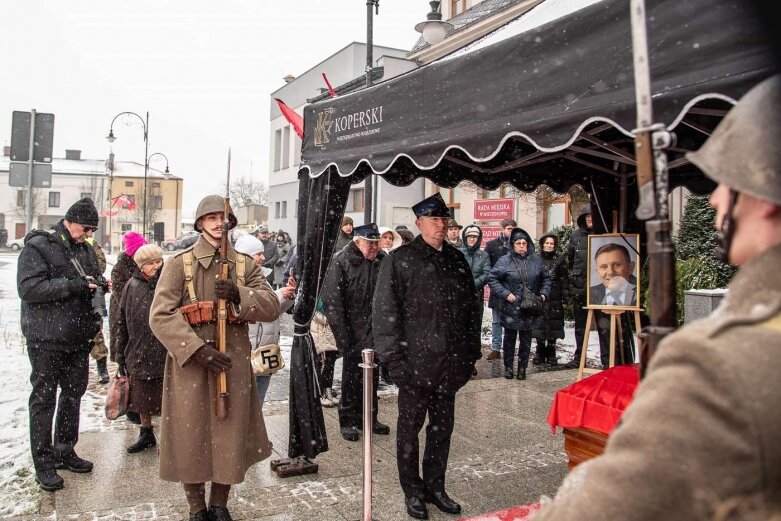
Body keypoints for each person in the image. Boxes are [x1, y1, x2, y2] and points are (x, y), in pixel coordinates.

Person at [532, 74, 781, 521]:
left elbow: (614, 502)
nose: (717, 198)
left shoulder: (723, 358)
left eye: (726, 180)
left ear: (765, 195)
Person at [149, 195, 280, 521]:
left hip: (231, 365)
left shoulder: (245, 266)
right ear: (200, 223)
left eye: (224, 218)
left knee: (228, 437)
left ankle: (220, 503)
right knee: (189, 438)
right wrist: (196, 350)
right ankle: (196, 507)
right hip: (191, 367)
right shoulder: (179, 264)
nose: (218, 224)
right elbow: (160, 315)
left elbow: (271, 306)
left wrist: (240, 295)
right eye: (211, 218)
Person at [373, 193, 481, 519]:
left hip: (449, 363)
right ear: (419, 223)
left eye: (444, 219)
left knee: (442, 429)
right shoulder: (400, 260)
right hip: (414, 363)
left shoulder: (457, 260)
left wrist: (470, 355)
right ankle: (413, 491)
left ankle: (436, 487)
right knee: (409, 430)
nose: (441, 225)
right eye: (434, 220)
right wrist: (393, 360)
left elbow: (471, 311)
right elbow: (385, 312)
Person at [18, 198, 103, 491]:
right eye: (86, 228)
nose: (89, 234)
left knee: (72, 396)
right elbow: (29, 289)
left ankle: (65, 450)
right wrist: (74, 285)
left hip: (77, 339)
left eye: (93, 229)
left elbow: (91, 278)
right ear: (69, 221)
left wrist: (99, 284)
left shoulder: (85, 249)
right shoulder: (38, 247)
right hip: (46, 340)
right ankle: (44, 463)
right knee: (44, 400)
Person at [322, 223, 390, 441]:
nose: (374, 247)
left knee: (372, 374)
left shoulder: (382, 261)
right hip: (352, 331)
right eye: (370, 243)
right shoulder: (341, 262)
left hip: (376, 328)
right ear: (357, 241)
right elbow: (334, 303)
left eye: (376, 243)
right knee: (352, 377)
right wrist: (343, 337)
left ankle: (369, 416)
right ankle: (348, 420)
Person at [114, 244, 167, 454]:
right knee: (142, 398)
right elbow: (122, 320)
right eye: (150, 263)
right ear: (140, 266)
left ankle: (174, 437)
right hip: (139, 349)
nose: (155, 266)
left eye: (158, 262)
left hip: (165, 349)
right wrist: (120, 354)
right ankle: (146, 434)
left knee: (169, 397)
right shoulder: (131, 286)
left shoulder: (168, 283)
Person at [234, 234, 294, 405]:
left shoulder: (260, 277)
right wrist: (278, 295)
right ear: (245, 256)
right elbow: (251, 306)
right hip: (251, 352)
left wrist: (287, 296)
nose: (263, 257)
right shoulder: (240, 279)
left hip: (264, 352)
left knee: (257, 404)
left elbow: (272, 310)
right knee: (247, 405)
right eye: (258, 254)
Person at [487, 228, 551, 380]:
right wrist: (505, 294)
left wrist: (543, 293)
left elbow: (546, 278)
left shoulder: (536, 260)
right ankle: (508, 368)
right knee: (509, 339)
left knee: (526, 340)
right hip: (511, 306)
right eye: (518, 243)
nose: (522, 246)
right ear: (513, 245)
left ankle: (522, 369)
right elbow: (492, 278)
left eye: (524, 243)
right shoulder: (505, 260)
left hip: (530, 306)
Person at [565, 205, 612, 369]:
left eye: (593, 216)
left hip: (601, 289)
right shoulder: (575, 236)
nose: (590, 219)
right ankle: (579, 358)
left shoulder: (605, 235)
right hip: (581, 289)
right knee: (580, 327)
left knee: (604, 327)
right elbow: (571, 260)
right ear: (583, 218)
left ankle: (607, 361)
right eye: (587, 216)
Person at [532, 233, 570, 368]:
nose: (549, 246)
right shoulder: (535, 258)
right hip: (540, 296)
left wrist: (565, 296)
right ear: (542, 244)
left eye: (552, 244)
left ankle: (552, 351)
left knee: (554, 324)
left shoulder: (559, 259)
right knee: (539, 323)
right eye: (547, 243)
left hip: (555, 296)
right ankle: (540, 351)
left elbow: (564, 279)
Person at [110, 231, 147, 363]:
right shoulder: (120, 268)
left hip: (141, 311)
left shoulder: (147, 265)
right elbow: (120, 294)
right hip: (124, 313)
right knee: (125, 348)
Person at [484, 218, 517, 360]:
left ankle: (509, 348)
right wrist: (494, 282)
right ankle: (496, 348)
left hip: (514, 289)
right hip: (498, 289)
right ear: (502, 229)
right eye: (509, 228)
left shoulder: (518, 244)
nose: (511, 231)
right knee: (496, 321)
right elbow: (488, 267)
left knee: (512, 321)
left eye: (513, 229)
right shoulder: (492, 245)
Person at [85, 235, 110, 384]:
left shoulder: (92, 243)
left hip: (96, 294)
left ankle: (102, 368)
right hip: (78, 293)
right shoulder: (64, 245)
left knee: (97, 332)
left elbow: (101, 266)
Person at [461, 224, 490, 315]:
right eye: (469, 236)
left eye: (475, 237)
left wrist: (473, 284)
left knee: (475, 322)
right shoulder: (458, 253)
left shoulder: (484, 255)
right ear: (465, 238)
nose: (471, 239)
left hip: (477, 294)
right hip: (460, 293)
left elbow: (487, 274)